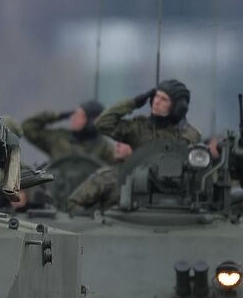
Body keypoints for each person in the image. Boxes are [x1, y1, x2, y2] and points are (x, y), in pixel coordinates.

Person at [68, 79, 202, 212]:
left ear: (177, 108)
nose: (156, 102)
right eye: (156, 96)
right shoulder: (140, 128)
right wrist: (134, 103)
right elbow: (102, 124)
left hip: (173, 191)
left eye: (164, 99)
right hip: (137, 185)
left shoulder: (189, 135)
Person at [21, 101, 126, 165]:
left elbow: (118, 168)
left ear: (90, 121)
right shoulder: (59, 139)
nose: (73, 118)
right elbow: (28, 127)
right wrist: (57, 116)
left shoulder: (104, 147)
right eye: (73, 114)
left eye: (79, 115)